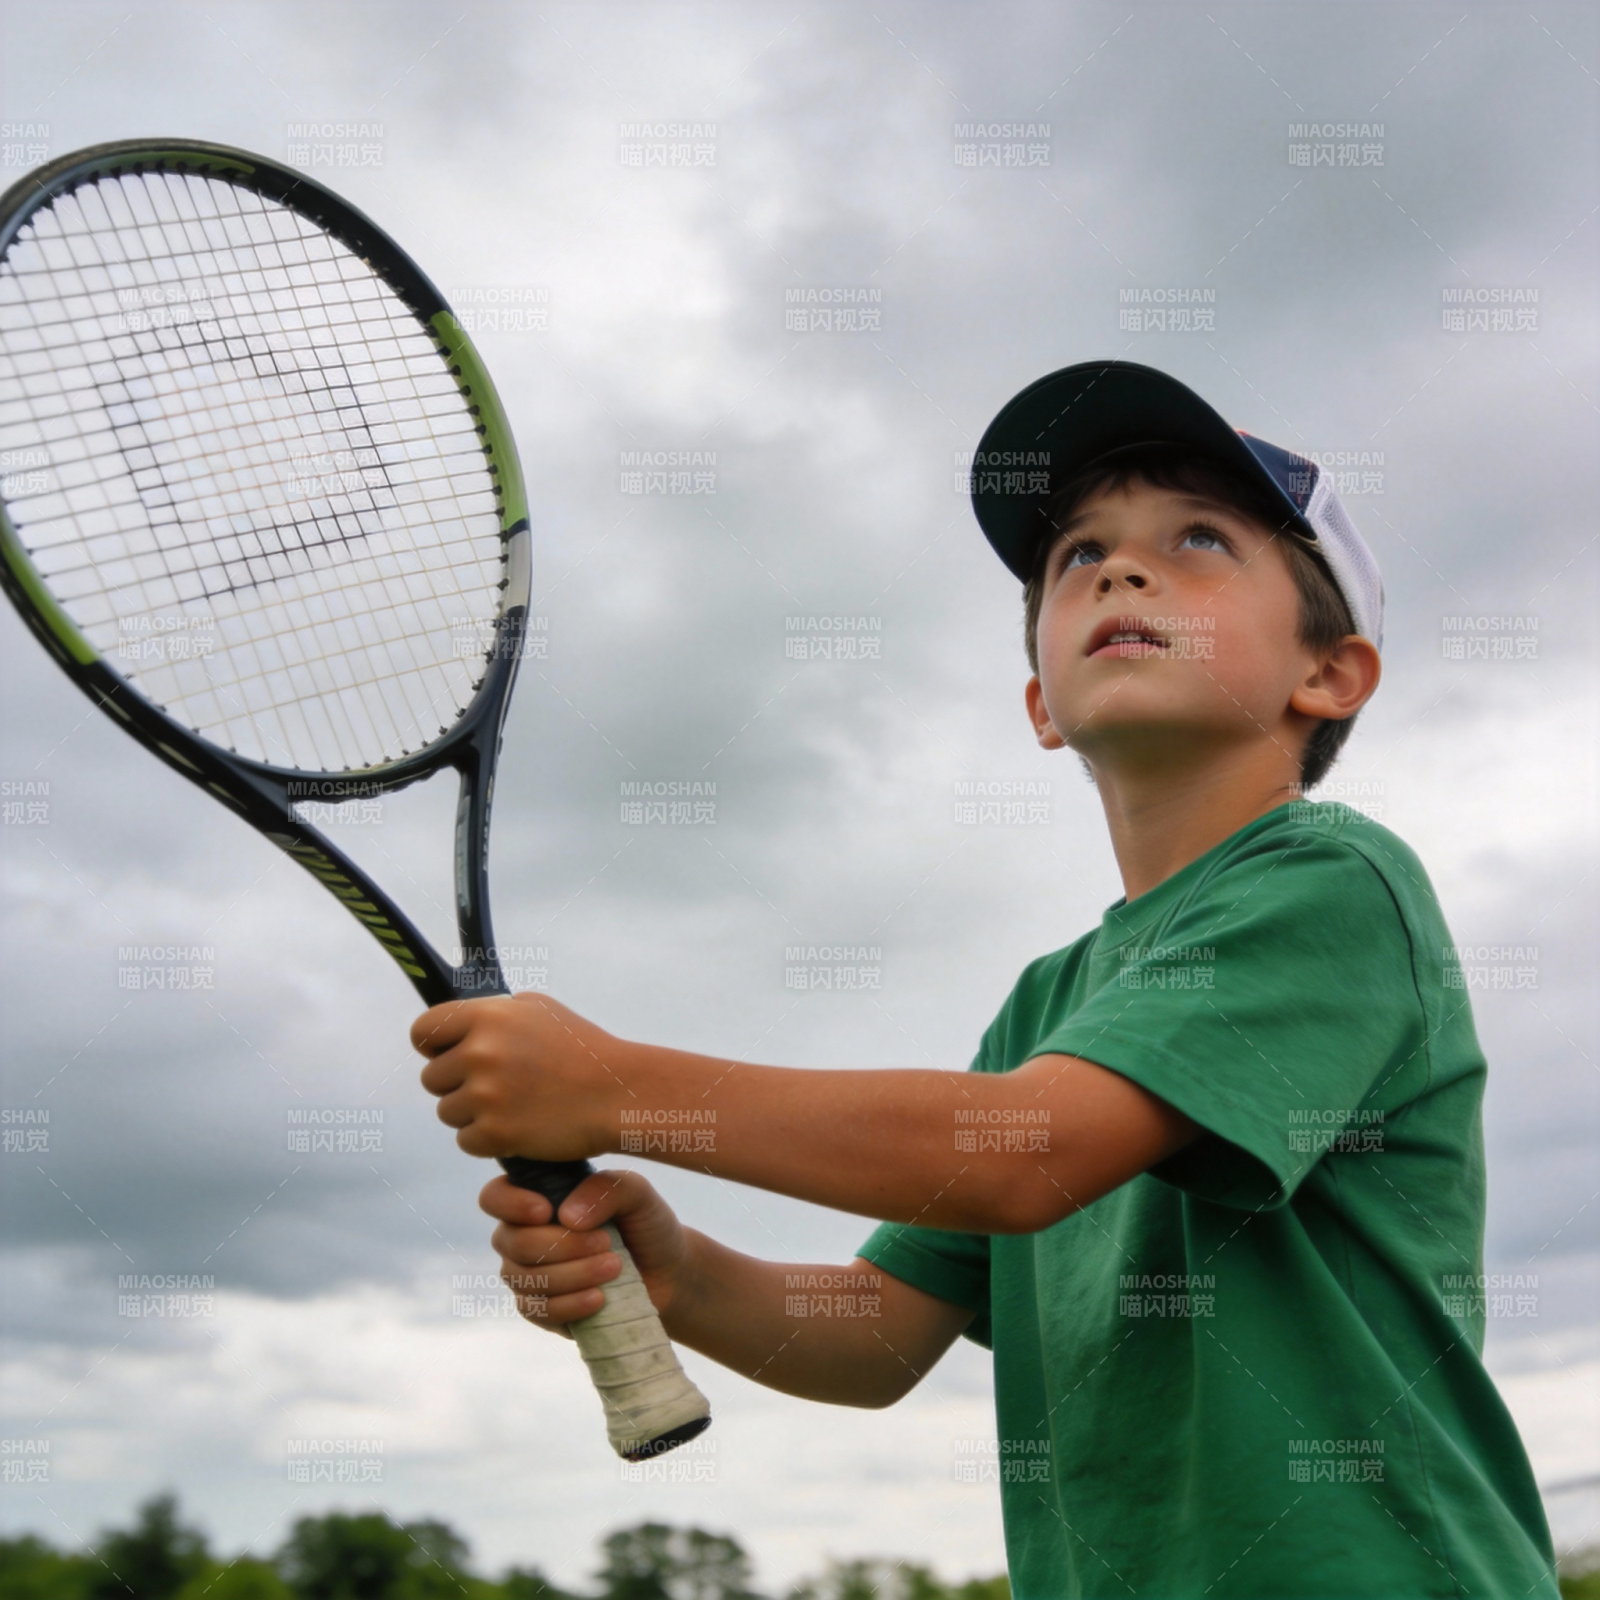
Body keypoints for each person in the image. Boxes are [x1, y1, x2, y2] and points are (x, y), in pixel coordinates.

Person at [413, 360, 1560, 1599]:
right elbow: (878, 1332)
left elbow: (1023, 1155)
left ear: (1328, 673)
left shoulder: (1334, 881)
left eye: (1200, 538)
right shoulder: (1046, 1003)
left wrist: (612, 1086)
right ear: (1040, 706)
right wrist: (680, 1272)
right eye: (1077, 555)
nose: (1122, 568)